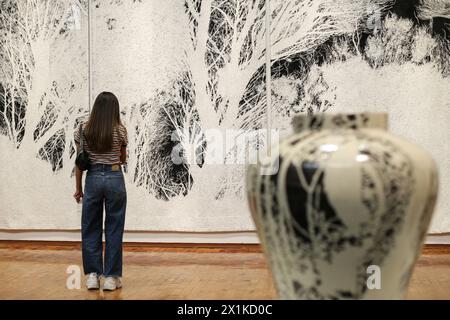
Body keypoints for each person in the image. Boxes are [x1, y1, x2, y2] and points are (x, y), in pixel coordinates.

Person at [73, 91, 128, 291]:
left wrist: (78, 189)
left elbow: (79, 163)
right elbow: (122, 159)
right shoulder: (121, 130)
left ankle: (93, 276)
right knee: (114, 227)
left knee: (90, 227)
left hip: (93, 179)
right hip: (115, 178)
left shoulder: (83, 130)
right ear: (114, 109)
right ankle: (112, 278)